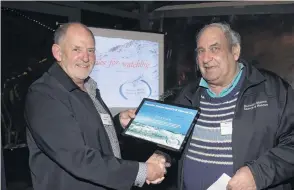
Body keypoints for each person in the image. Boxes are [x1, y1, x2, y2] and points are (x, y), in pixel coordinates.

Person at [24, 22, 168, 190]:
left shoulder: (88, 88)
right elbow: (78, 158)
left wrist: (117, 123)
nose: (86, 58)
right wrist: (143, 171)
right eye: (76, 49)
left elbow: (90, 134)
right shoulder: (45, 94)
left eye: (90, 50)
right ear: (58, 52)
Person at [171, 23, 294, 190]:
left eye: (214, 49)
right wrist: (161, 155)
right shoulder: (188, 94)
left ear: (235, 51)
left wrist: (257, 174)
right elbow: (171, 140)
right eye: (201, 51)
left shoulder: (273, 91)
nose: (206, 59)